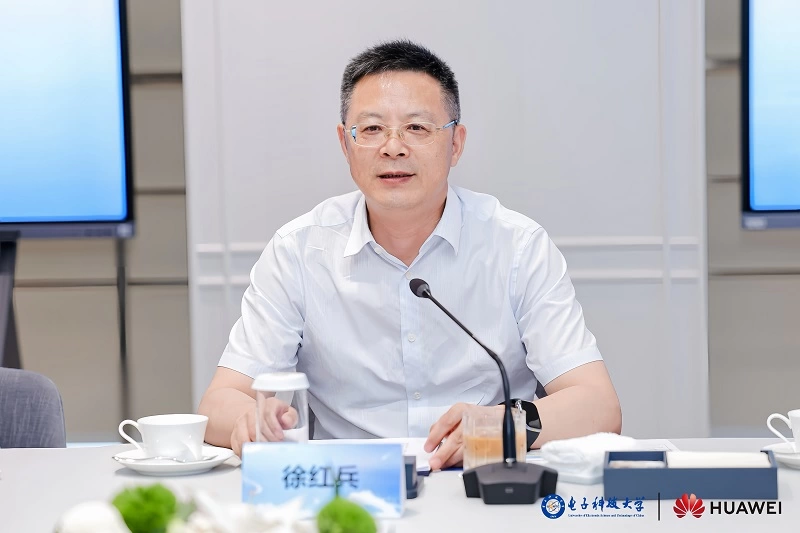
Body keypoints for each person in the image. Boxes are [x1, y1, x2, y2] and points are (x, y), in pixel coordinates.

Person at [199, 40, 621, 469]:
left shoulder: (517, 247)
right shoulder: (299, 251)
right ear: (345, 143)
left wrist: (504, 426)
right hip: (348, 488)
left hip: (481, 480)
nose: (393, 147)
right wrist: (251, 420)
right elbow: (218, 403)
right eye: (372, 129)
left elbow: (598, 404)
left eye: (416, 128)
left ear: (455, 143)